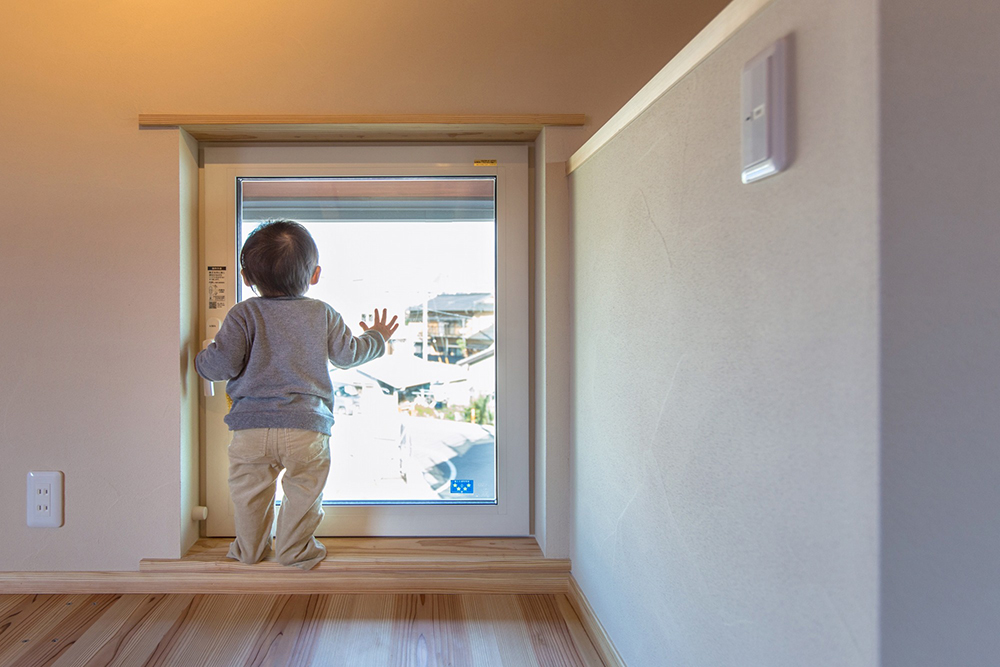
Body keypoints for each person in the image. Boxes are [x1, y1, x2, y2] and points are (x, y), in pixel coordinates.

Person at [195, 220, 398, 570]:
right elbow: (348, 355)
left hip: (251, 428)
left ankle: (249, 551)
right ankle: (294, 552)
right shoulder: (321, 313)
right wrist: (377, 338)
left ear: (246, 277)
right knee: (304, 494)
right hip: (307, 426)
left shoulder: (244, 313)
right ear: (315, 274)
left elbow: (219, 366)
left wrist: (202, 356)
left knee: (249, 495)